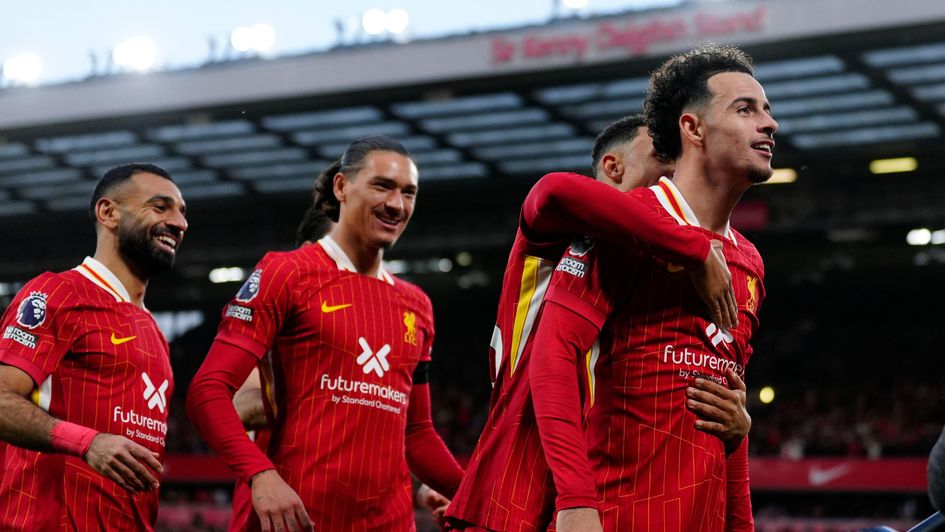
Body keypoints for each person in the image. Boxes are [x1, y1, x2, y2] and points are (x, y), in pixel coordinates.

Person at [445, 114, 747, 532]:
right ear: (613, 168)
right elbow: (553, 190)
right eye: (663, 155)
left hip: (593, 485)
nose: (677, 170)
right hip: (525, 485)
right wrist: (692, 247)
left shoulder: (647, 264)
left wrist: (737, 427)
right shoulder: (558, 234)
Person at [532, 43, 777, 531]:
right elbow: (553, 357)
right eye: (745, 109)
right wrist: (575, 501)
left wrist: (742, 524)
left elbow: (728, 410)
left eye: (768, 111)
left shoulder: (749, 261)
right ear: (693, 128)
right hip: (617, 515)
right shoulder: (626, 224)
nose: (769, 124)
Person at [186, 135, 464, 531]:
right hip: (300, 519)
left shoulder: (416, 304)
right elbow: (207, 391)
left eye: (409, 193)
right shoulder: (287, 273)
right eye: (382, 186)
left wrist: (475, 498)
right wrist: (260, 474)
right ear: (341, 187)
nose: (397, 204)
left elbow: (417, 433)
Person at [0, 163, 188, 530]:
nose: (179, 223)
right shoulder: (59, 293)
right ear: (109, 213)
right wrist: (88, 442)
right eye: (161, 207)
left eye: (182, 212)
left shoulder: (154, 331)